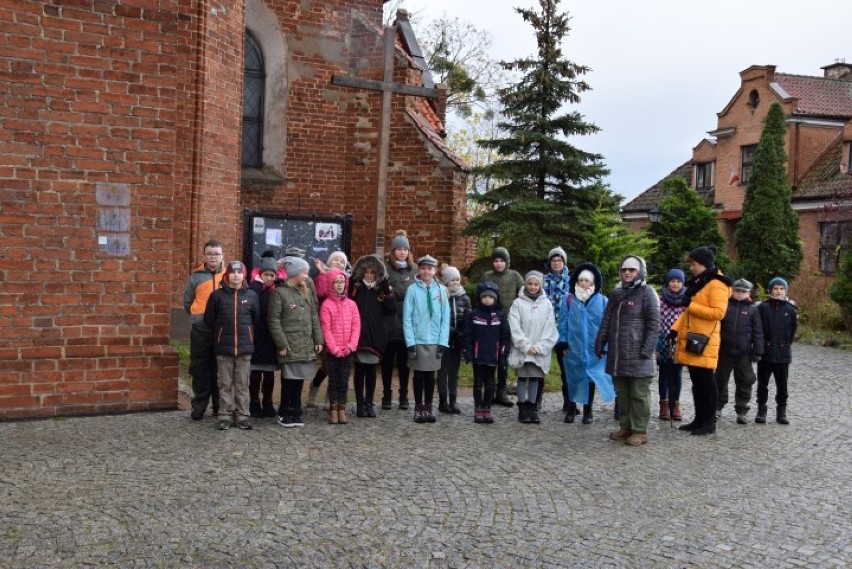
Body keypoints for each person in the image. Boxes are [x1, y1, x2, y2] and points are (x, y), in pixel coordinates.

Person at [595, 255, 660, 446]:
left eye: (631, 270)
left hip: (640, 355)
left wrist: (647, 349)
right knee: (622, 394)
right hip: (619, 355)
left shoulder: (647, 293)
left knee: (639, 394)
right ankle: (626, 427)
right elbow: (607, 320)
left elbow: (654, 325)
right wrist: (600, 342)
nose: (627, 273)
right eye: (624, 270)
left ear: (639, 271)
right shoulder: (616, 294)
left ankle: (640, 430)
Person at [670, 246, 732, 436]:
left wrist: (692, 305)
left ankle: (709, 421)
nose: (691, 268)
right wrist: (675, 329)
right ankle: (699, 419)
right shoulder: (701, 282)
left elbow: (718, 313)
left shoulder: (717, 284)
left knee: (706, 381)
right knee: (697, 381)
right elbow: (688, 312)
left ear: (704, 265)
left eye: (694, 264)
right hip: (693, 337)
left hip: (705, 339)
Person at [268, 257, 324, 428]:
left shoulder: (305, 291)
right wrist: (282, 344)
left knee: (299, 379)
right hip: (290, 344)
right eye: (304, 272)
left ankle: (296, 409)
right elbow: (274, 320)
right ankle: (285, 410)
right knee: (289, 379)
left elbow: (313, 316)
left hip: (304, 343)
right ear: (294, 273)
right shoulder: (280, 293)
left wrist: (318, 338)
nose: (307, 276)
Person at [203, 261, 260, 430]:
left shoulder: (251, 296)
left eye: (239, 272)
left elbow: (255, 319)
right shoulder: (217, 296)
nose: (236, 275)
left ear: (244, 275)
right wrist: (220, 333)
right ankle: (225, 415)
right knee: (225, 383)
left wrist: (248, 335)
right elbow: (209, 319)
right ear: (227, 275)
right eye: (233, 272)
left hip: (244, 348)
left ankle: (242, 415)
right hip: (224, 347)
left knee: (242, 383)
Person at [558, 263, 614, 425]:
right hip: (573, 347)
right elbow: (563, 323)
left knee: (590, 378)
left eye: (587, 280)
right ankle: (571, 408)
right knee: (572, 378)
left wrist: (604, 346)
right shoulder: (568, 300)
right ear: (576, 281)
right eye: (581, 280)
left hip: (593, 348)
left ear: (593, 282)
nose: (584, 283)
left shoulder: (603, 301)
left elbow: (606, 325)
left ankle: (587, 410)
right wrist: (563, 343)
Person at [403, 255, 450, 423]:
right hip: (418, 339)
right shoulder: (412, 290)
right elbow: (407, 318)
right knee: (419, 376)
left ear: (435, 270)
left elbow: (446, 318)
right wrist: (410, 342)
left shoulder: (442, 290)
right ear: (419, 270)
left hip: (435, 340)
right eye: (423, 268)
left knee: (430, 377)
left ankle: (428, 407)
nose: (426, 271)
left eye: (430, 268)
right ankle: (418, 407)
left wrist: (443, 342)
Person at [508, 271, 559, 424]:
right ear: (525, 284)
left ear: (540, 286)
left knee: (535, 378)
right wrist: (525, 345)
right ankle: (522, 408)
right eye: (530, 283)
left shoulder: (546, 304)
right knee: (523, 377)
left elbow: (550, 327)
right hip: (522, 349)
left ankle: (532, 407)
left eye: (536, 284)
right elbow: (514, 325)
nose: (532, 287)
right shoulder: (518, 303)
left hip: (538, 350)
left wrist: (540, 347)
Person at [348, 254, 396, 418]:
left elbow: (391, 310)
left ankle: (369, 401)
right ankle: (360, 403)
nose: (369, 275)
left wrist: (386, 289)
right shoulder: (356, 288)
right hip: (359, 336)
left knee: (371, 371)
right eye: (366, 272)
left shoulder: (381, 291)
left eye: (372, 273)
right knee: (360, 370)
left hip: (376, 336)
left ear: (377, 274)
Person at [183, 239, 226, 420]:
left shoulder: (229, 275)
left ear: (222, 255)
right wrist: (197, 317)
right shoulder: (195, 277)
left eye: (216, 254)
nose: (213, 257)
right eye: (209, 254)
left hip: (223, 329)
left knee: (220, 369)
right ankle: (199, 405)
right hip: (201, 329)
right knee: (200, 367)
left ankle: (219, 406)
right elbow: (187, 302)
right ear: (204, 256)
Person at [715, 278, 764, 424]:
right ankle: (717, 407)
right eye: (737, 291)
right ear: (732, 291)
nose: (739, 294)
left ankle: (742, 410)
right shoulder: (725, 306)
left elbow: (758, 332)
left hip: (744, 353)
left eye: (743, 292)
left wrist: (758, 351)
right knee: (720, 380)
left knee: (745, 381)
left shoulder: (753, 309)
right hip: (724, 351)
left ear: (748, 293)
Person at [481, 246, 524, 407]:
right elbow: (481, 296)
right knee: (490, 358)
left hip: (508, 322)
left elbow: (523, 293)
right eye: (496, 260)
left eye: (501, 261)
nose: (499, 264)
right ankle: (489, 392)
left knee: (503, 359)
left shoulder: (514, 276)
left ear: (507, 262)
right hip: (490, 322)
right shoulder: (487, 276)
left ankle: (502, 391)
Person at [463, 282, 511, 424]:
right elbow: (467, 336)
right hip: (478, 356)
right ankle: (478, 408)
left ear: (495, 299)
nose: (488, 299)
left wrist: (503, 355)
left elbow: (505, 338)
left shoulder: (500, 316)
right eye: (485, 297)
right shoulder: (473, 315)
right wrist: (468, 352)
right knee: (478, 383)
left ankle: (487, 408)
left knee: (490, 383)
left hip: (493, 356)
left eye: (491, 297)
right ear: (480, 298)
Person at [307, 250, 349, 408]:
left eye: (342, 262)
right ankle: (315, 388)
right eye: (335, 260)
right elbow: (321, 292)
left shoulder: (346, 280)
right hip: (325, 327)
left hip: (340, 328)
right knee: (328, 365)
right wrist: (324, 274)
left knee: (335, 367)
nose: (338, 263)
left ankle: (331, 400)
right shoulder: (321, 277)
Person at [319, 268, 360, 425]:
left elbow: (356, 326)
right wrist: (334, 348)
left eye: (342, 281)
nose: (339, 285)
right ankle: (333, 409)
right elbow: (326, 328)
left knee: (344, 380)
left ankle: (342, 409)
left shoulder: (352, 305)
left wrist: (351, 345)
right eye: (336, 282)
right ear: (331, 284)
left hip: (348, 350)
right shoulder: (327, 305)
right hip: (333, 351)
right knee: (333, 380)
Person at [381, 230, 416, 410]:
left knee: (404, 363)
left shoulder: (414, 269)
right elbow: (383, 292)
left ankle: (403, 395)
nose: (402, 252)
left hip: (408, 324)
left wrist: (396, 292)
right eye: (399, 249)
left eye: (405, 249)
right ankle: (386, 394)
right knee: (387, 363)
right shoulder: (385, 269)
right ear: (393, 251)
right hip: (389, 322)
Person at [755, 277, 797, 425]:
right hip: (765, 353)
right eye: (775, 288)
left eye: (781, 289)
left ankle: (781, 411)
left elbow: (793, 331)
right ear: (770, 290)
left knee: (782, 385)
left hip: (783, 354)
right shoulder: (762, 308)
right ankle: (761, 409)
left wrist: (785, 344)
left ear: (785, 291)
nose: (778, 291)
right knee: (762, 384)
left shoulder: (791, 310)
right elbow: (757, 328)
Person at [248, 257, 280, 418]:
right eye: (266, 274)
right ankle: (253, 401)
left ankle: (267, 400)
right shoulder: (254, 289)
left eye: (272, 275)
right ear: (261, 274)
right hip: (256, 335)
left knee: (269, 373)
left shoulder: (276, 290)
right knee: (254, 373)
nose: (269, 278)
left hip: (270, 336)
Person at [437, 266, 471, 414]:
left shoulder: (464, 297)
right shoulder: (440, 296)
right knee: (442, 371)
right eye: (452, 280)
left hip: (458, 341)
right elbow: (437, 318)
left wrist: (463, 333)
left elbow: (469, 317)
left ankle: (453, 400)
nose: (456, 282)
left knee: (454, 372)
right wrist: (451, 330)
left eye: (457, 279)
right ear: (446, 282)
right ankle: (443, 401)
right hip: (444, 339)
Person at [656, 268, 687, 421]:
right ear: (668, 282)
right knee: (664, 374)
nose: (675, 284)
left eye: (678, 281)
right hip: (662, 341)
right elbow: (655, 322)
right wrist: (654, 347)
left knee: (677, 374)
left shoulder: (687, 299)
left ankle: (675, 403)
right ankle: (664, 404)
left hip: (679, 342)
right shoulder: (660, 299)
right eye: (673, 281)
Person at [544, 246, 572, 413]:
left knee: (566, 367)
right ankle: (536, 399)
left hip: (564, 328)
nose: (556, 263)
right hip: (546, 326)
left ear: (564, 262)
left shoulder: (570, 280)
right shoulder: (543, 279)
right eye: (554, 260)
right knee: (539, 364)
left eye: (559, 260)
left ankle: (569, 401)